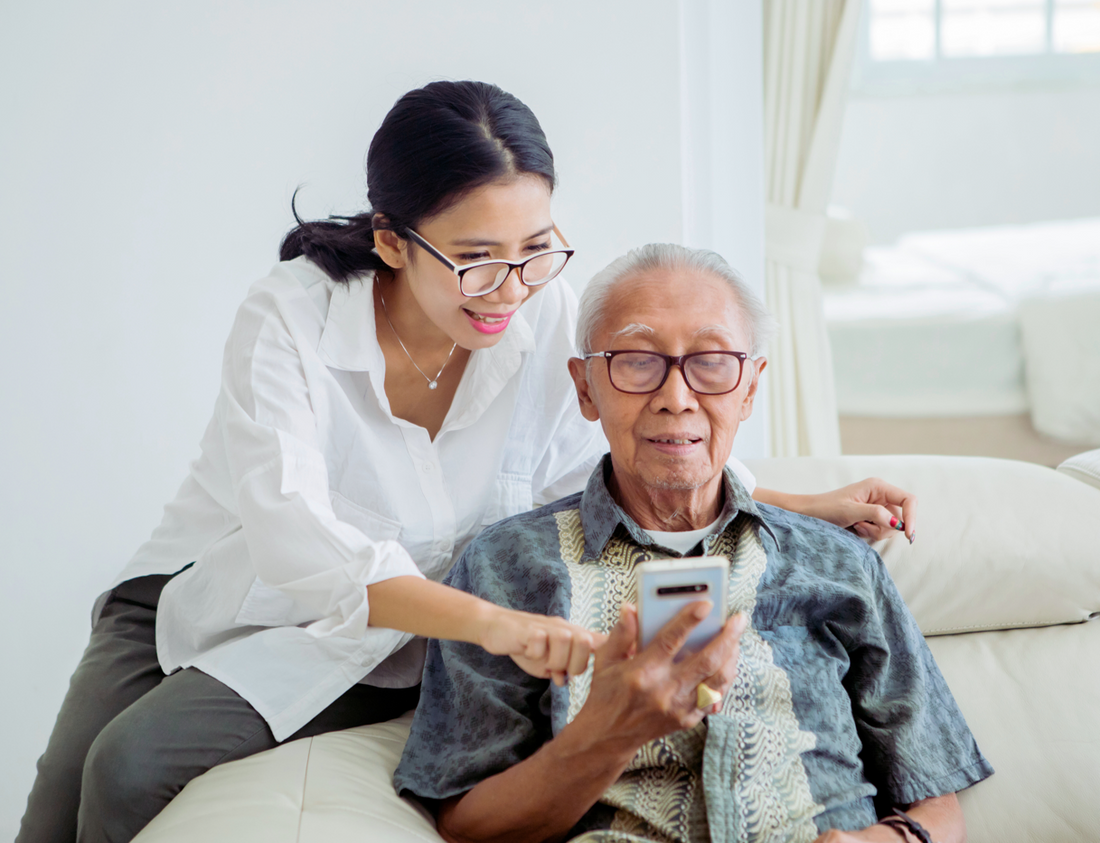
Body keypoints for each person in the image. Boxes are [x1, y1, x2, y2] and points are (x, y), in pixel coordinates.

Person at [19, 82, 916, 843]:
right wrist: (494, 625)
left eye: (534, 249)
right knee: (68, 785)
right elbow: (296, 542)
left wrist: (799, 502)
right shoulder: (289, 318)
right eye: (477, 259)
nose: (512, 289)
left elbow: (611, 450)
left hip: (386, 630)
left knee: (130, 764)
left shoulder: (544, 307)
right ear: (392, 239)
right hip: (215, 583)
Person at [394, 243, 992, 843]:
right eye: (635, 360)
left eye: (710, 361)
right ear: (584, 388)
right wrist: (607, 733)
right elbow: (467, 823)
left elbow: (938, 802)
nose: (676, 396)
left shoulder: (839, 563)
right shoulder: (503, 568)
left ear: (751, 387)